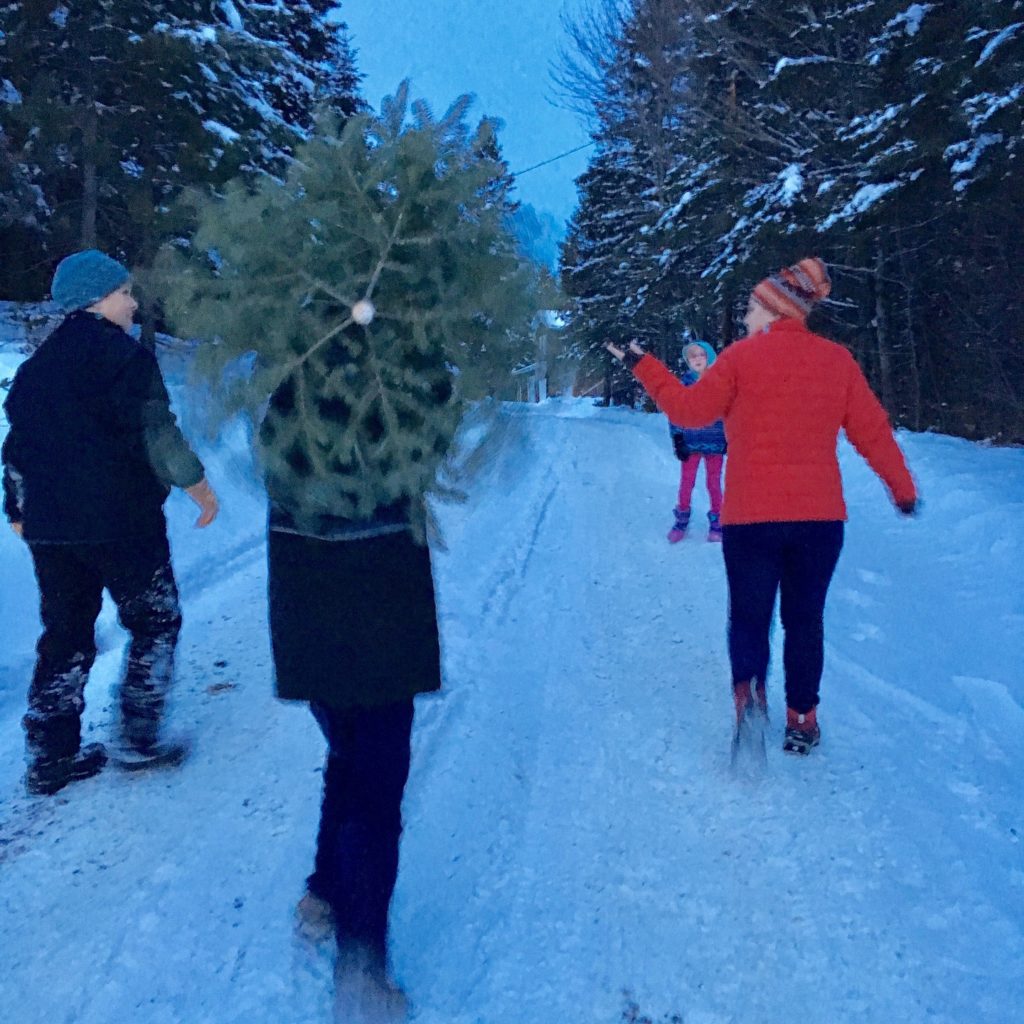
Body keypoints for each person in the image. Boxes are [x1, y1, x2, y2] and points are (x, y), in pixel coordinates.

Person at [607, 258, 917, 755]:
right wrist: (902, 490)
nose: (747, 314)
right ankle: (802, 718)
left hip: (752, 519)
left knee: (750, 616)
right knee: (805, 619)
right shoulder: (837, 361)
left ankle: (748, 700)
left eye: (752, 306)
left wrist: (643, 365)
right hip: (819, 522)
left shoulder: (739, 359)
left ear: (774, 310)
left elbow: (690, 412)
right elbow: (872, 432)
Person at [260, 328, 451, 1018]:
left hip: (310, 624)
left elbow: (274, 469)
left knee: (347, 757)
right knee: (375, 793)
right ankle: (362, 967)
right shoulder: (398, 384)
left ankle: (323, 893)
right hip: (379, 624)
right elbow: (429, 448)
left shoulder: (290, 383)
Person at [2, 250, 219, 795]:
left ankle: (50, 757)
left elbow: (17, 449)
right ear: (97, 299)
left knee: (65, 637)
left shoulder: (34, 370)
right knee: (154, 621)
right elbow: (157, 433)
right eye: (125, 293)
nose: (133, 302)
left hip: (52, 532)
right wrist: (199, 489)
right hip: (122, 523)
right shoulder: (125, 359)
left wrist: (17, 510)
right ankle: (137, 738)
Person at [667, 340, 727, 543]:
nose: (697, 359)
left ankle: (717, 521)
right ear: (688, 361)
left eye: (701, 354)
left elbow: (728, 411)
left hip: (715, 442)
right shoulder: (683, 384)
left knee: (714, 483)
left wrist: (730, 436)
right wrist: (678, 438)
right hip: (690, 443)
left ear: (709, 357)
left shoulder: (720, 382)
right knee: (687, 483)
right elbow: (676, 411)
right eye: (692, 356)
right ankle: (682, 520)